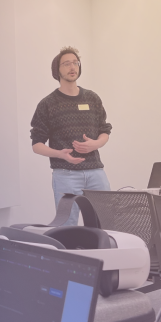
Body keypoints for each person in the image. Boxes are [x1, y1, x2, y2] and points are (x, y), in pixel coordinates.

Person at [30, 47, 112, 226]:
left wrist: (95, 144)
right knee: (67, 225)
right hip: (65, 174)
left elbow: (105, 130)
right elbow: (36, 145)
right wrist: (60, 154)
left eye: (75, 63)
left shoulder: (92, 98)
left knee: (105, 222)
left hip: (96, 172)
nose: (72, 67)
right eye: (66, 64)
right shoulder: (48, 104)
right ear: (57, 70)